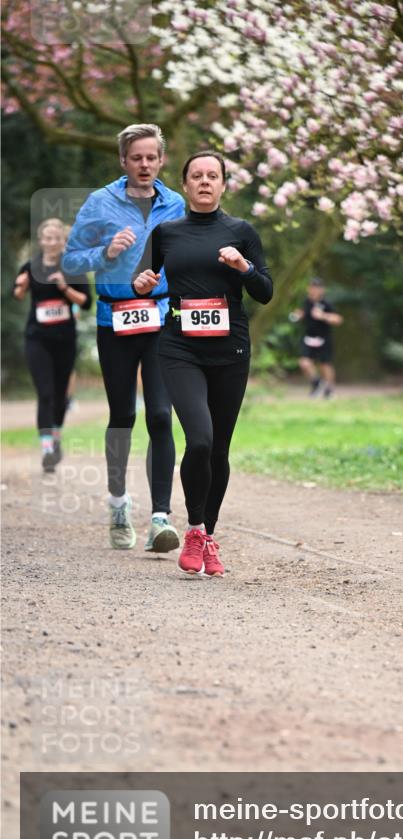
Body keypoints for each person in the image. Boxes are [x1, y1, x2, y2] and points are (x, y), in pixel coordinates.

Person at [133, 151, 273, 577]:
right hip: (180, 348)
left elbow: (265, 291)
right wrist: (142, 284)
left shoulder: (242, 232)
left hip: (231, 350)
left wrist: (243, 267)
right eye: (197, 176)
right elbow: (142, 281)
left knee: (219, 449)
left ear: (224, 184)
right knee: (199, 440)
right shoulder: (166, 232)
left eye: (213, 175)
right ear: (185, 184)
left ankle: (207, 534)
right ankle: (194, 529)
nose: (205, 181)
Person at [62, 123, 185, 553]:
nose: (144, 164)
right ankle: (118, 504)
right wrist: (106, 252)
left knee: (161, 415)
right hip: (115, 320)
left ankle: (160, 518)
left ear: (161, 160)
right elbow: (70, 260)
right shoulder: (100, 202)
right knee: (122, 415)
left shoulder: (176, 204)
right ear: (123, 161)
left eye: (151, 157)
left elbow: (186, 256)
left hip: (161, 318)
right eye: (137, 158)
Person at [13, 218, 92, 473]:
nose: (52, 242)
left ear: (62, 241)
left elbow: (86, 302)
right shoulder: (31, 266)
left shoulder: (73, 267)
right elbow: (17, 294)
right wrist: (21, 286)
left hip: (64, 340)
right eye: (47, 238)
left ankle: (55, 435)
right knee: (45, 392)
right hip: (37, 338)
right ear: (41, 240)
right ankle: (47, 448)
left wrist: (64, 288)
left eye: (56, 238)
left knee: (59, 395)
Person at [290, 278, 343, 398]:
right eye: (311, 287)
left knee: (325, 365)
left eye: (316, 288)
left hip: (324, 338)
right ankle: (316, 382)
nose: (313, 290)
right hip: (308, 338)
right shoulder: (306, 302)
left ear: (322, 290)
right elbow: (302, 313)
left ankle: (329, 390)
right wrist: (298, 315)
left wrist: (323, 316)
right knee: (304, 362)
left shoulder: (327, 303)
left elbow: (338, 319)